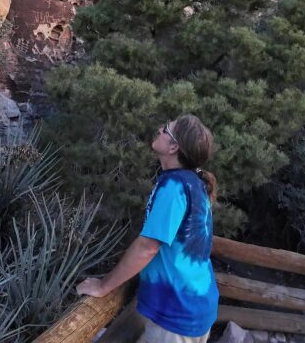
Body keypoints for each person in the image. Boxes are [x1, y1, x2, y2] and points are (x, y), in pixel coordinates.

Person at [76, 114, 219, 343]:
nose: (160, 129)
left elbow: (147, 247)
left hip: (176, 313)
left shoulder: (174, 188)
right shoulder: (193, 182)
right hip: (195, 305)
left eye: (166, 129)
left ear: (173, 147)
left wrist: (104, 286)